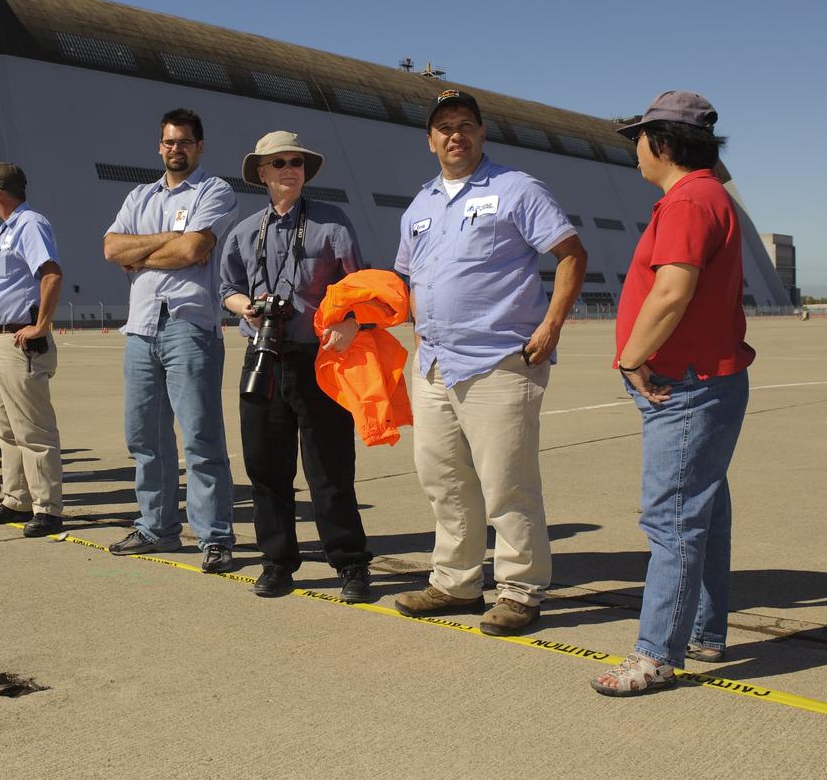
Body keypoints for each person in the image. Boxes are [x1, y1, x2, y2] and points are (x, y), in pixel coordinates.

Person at [392, 89, 587, 635]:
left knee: (508, 484)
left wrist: (550, 326)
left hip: (498, 361)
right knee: (444, 480)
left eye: (465, 124)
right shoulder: (421, 205)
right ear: (430, 141)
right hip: (432, 365)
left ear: (481, 133)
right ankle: (455, 584)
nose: (455, 134)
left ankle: (521, 592)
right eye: (444, 127)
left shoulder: (516, 189)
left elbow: (571, 254)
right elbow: (405, 279)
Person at [592, 92, 755, 696]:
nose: (634, 150)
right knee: (702, 512)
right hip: (707, 380)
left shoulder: (687, 202)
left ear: (662, 143)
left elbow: (671, 292)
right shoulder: (711, 196)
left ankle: (657, 653)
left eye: (638, 138)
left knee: (673, 519)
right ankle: (704, 633)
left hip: (683, 385)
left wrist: (631, 358)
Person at [220, 131, 373, 601]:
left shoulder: (332, 222)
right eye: (280, 162)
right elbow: (226, 288)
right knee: (266, 467)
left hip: (318, 358)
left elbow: (358, 288)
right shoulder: (245, 231)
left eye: (298, 163)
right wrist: (246, 305)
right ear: (262, 173)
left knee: (329, 468)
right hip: (263, 356)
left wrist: (350, 321)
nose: (290, 169)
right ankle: (276, 562)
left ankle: (349, 564)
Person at [102, 108, 239, 573]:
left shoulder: (214, 191)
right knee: (145, 436)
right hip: (141, 327)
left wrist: (142, 254)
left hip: (188, 325)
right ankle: (157, 528)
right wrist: (166, 241)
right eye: (168, 142)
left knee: (200, 435)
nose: (174, 149)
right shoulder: (139, 195)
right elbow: (110, 248)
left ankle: (214, 536)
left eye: (183, 142)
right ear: (159, 146)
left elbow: (194, 249)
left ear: (199, 146)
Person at [0, 163, 65, 538]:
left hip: (19, 341)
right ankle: (15, 498)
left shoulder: (29, 225)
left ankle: (47, 507)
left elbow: (51, 273)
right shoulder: (5, 231)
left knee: (33, 428)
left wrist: (41, 325)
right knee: (7, 428)